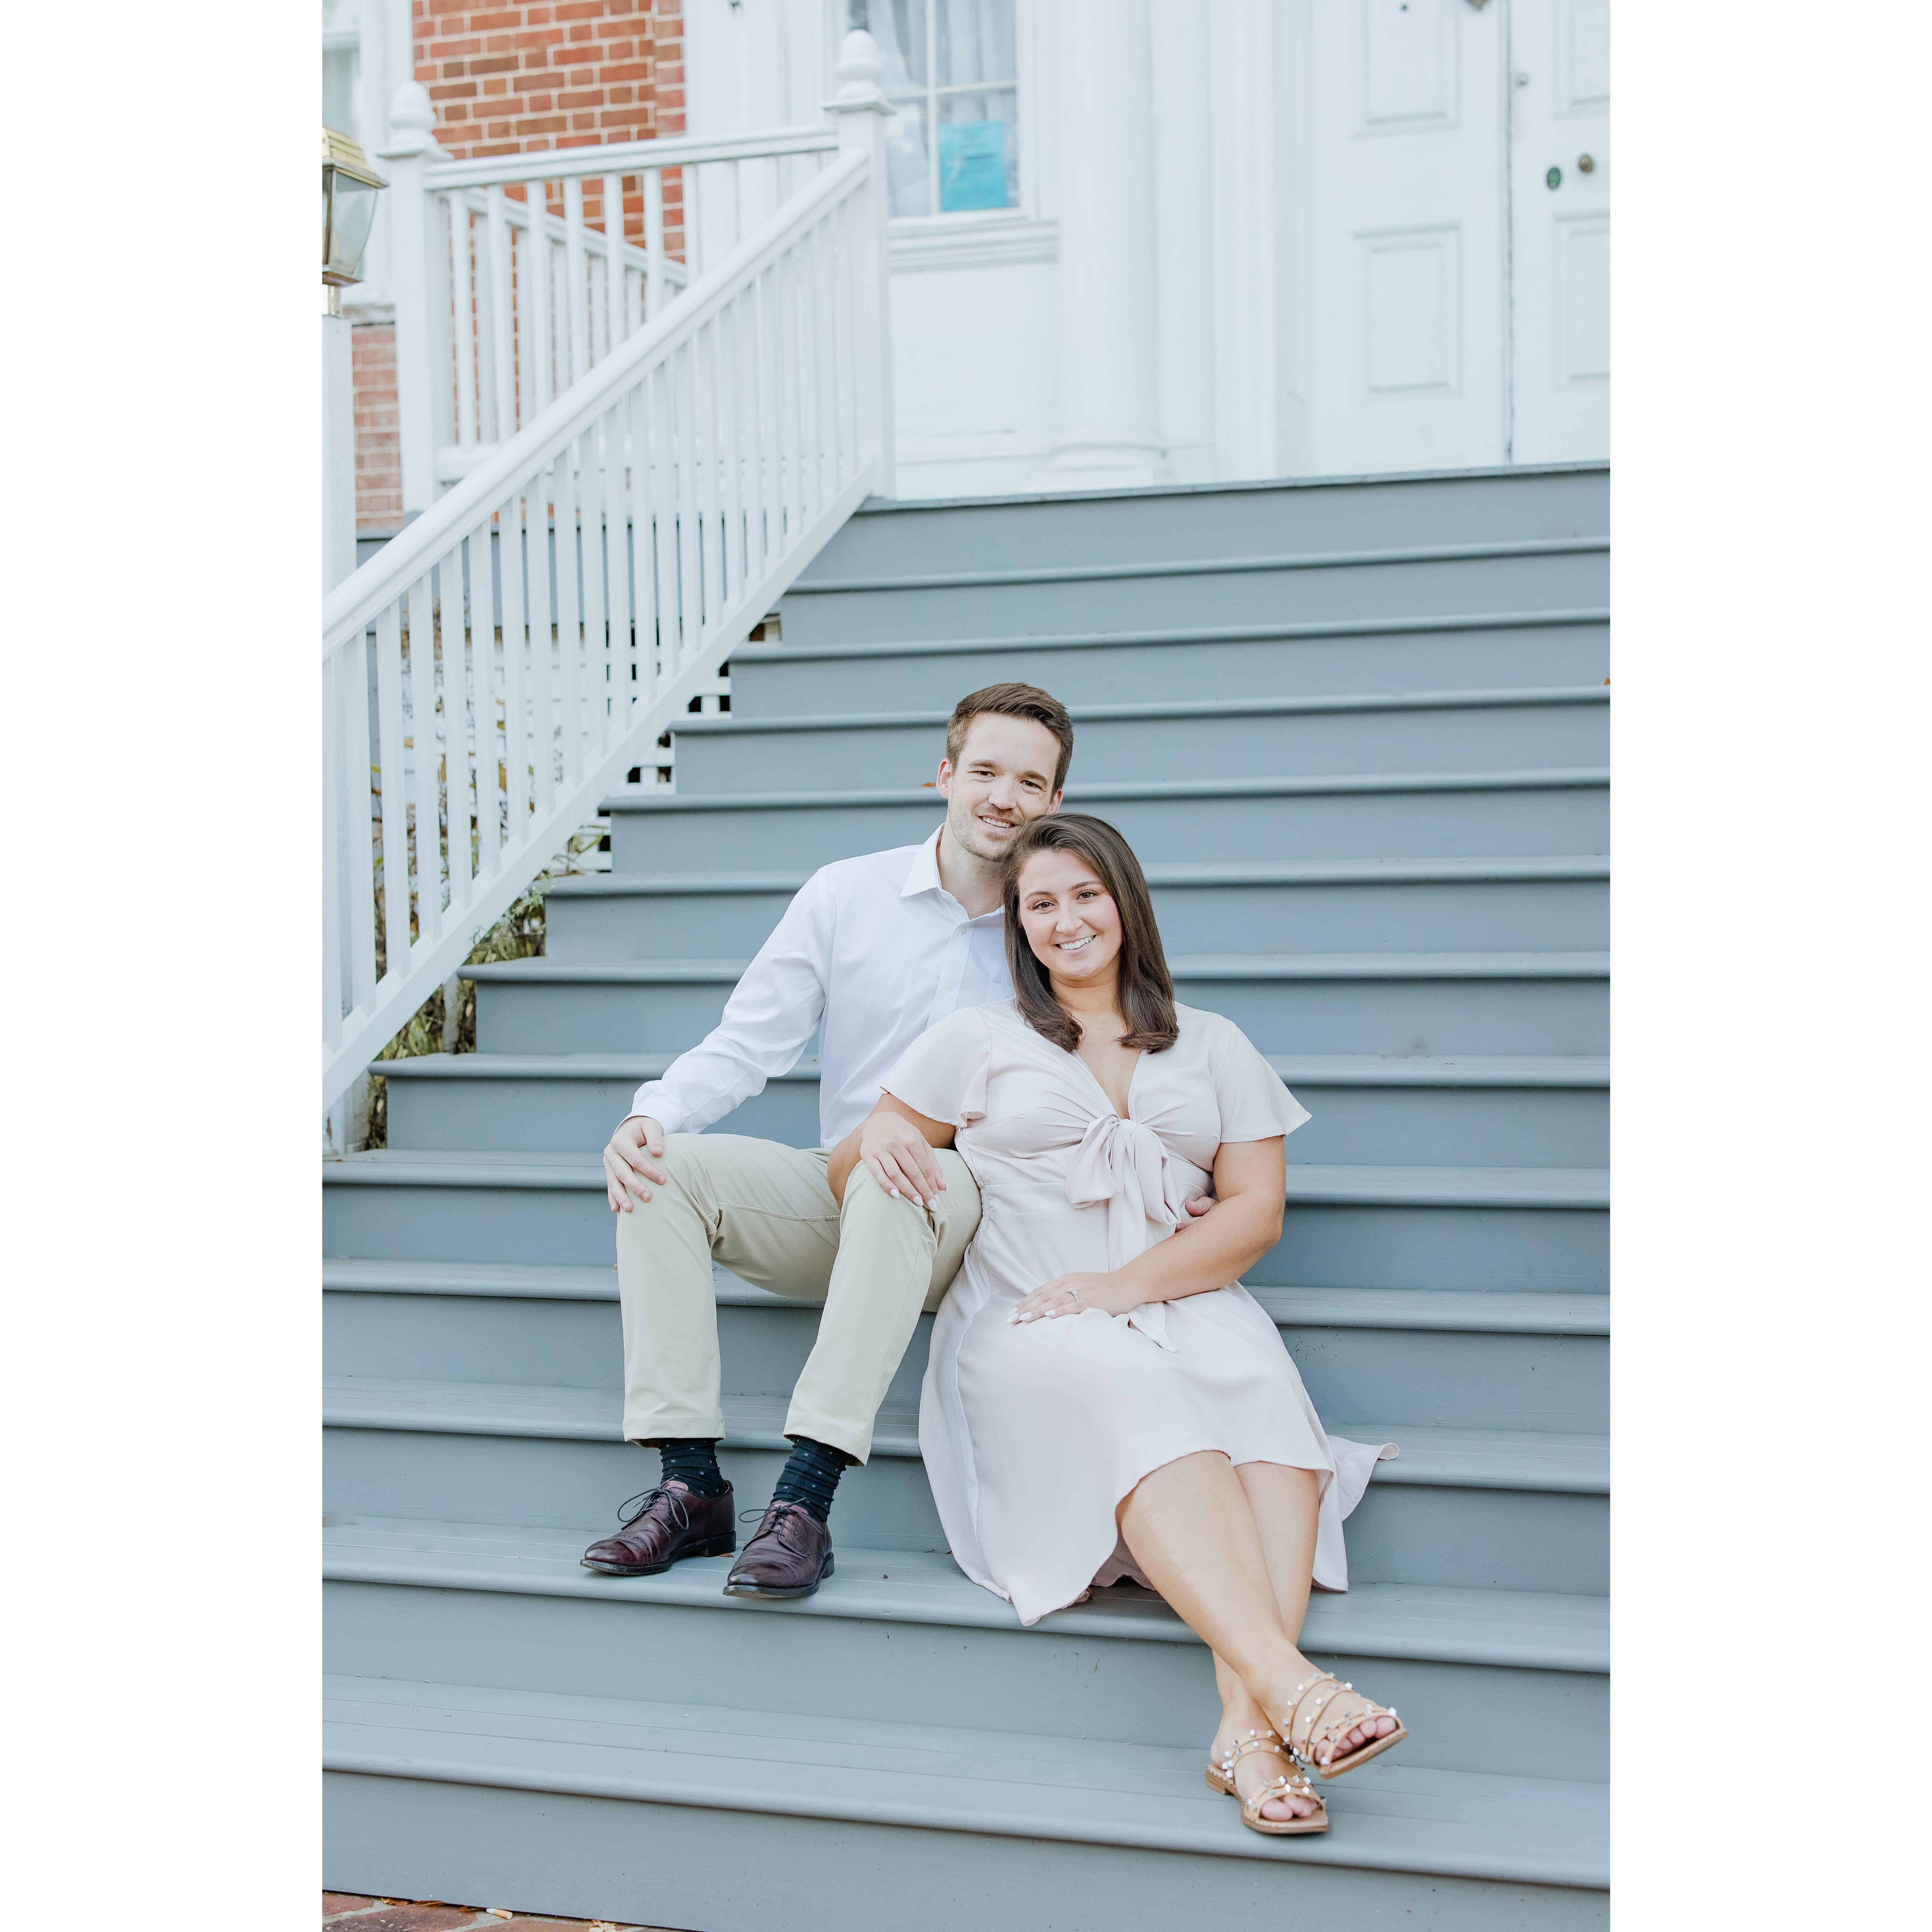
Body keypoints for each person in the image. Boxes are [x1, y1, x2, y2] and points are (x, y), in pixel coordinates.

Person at [833, 813, 1407, 1836]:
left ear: (1124, 901)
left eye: (1084, 895)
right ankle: (1294, 1686)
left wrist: (1130, 1283)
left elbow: (1255, 1211)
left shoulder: (1213, 1041)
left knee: (1262, 1394)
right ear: (1018, 924)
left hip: (1181, 1293)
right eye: (1039, 904)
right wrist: (881, 1135)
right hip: (1032, 1309)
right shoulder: (977, 1036)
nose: (1065, 921)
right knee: (1137, 1386)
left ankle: (1248, 1733)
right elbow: (861, 1155)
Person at [584, 683, 1079, 1601]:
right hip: (841, 1188)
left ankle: (805, 1500)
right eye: (985, 771)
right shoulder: (848, 893)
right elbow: (749, 1041)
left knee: (901, 1168)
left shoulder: (1059, 922)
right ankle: (691, 1485)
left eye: (1028, 782)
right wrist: (652, 1112)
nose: (1002, 797)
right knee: (662, 1168)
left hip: (970, 1207)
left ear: (1054, 800)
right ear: (944, 774)